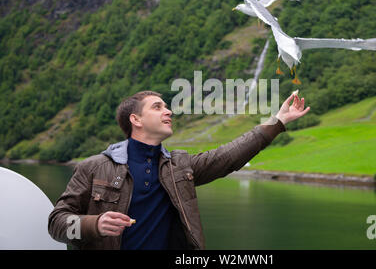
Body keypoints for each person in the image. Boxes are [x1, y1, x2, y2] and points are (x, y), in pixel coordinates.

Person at [48, 90, 310, 249]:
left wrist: (278, 122)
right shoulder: (93, 167)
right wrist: (95, 224)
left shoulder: (179, 167)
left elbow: (228, 156)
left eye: (167, 106)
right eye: (157, 106)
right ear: (135, 119)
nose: (169, 111)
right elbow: (56, 223)